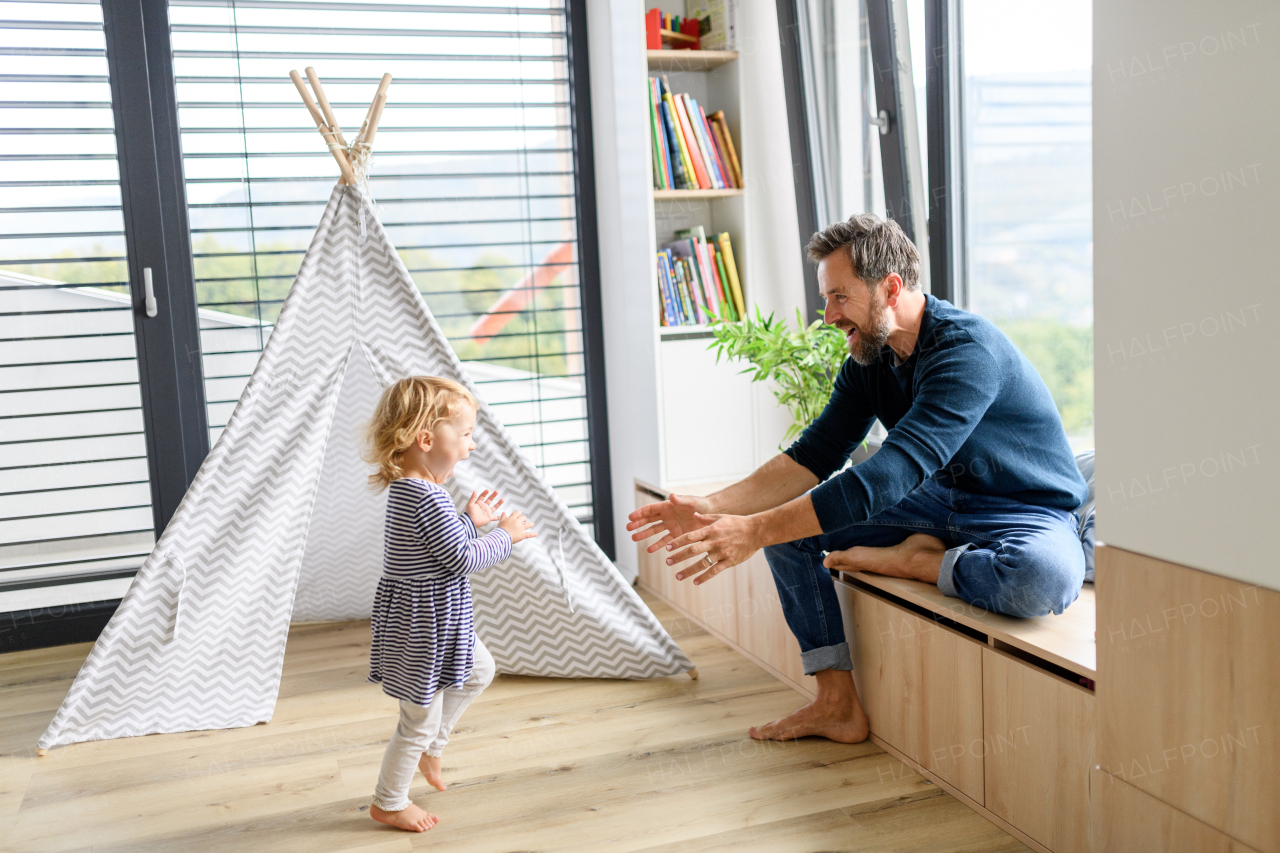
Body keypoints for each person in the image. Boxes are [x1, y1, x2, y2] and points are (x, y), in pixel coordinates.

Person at [628, 214, 1087, 746]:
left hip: (1023, 507)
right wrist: (711, 506)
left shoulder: (967, 352)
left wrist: (752, 531)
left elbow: (893, 472)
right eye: (826, 298)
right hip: (938, 499)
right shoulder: (871, 358)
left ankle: (922, 561)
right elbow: (813, 455)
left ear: (890, 288)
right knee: (790, 532)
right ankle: (836, 703)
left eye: (839, 297)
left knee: (1042, 579)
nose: (827, 316)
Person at [363, 376, 537, 832]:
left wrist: (468, 519)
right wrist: (505, 535)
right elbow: (459, 558)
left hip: (439, 623)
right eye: (464, 435)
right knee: (417, 718)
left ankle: (432, 747)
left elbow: (438, 548)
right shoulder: (426, 498)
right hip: (425, 629)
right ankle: (390, 801)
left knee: (481, 669)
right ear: (426, 439)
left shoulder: (415, 491)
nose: (471, 445)